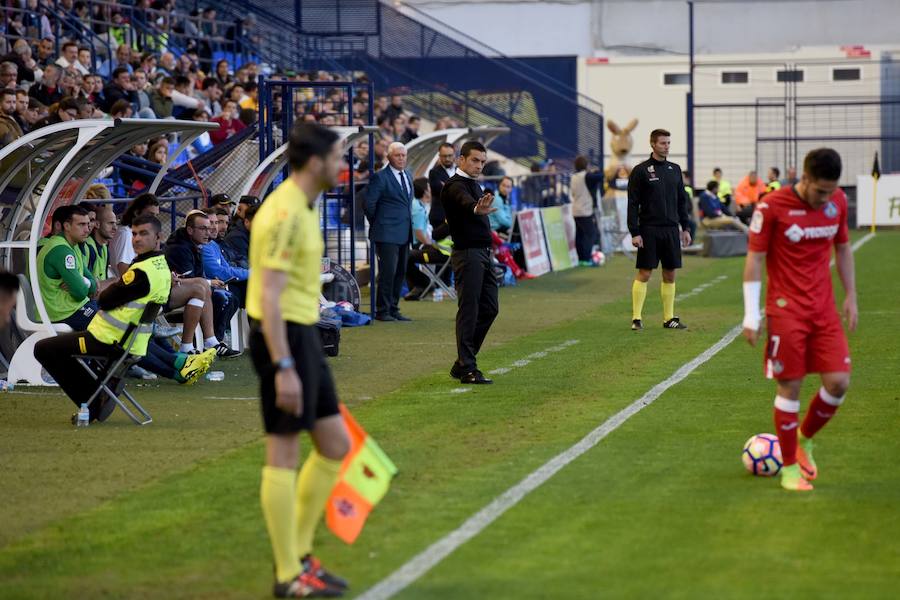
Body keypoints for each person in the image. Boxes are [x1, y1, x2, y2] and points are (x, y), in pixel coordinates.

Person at [246, 122, 351, 598]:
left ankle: (301, 557)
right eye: (338, 157)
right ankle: (289, 574)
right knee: (284, 450)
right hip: (280, 336)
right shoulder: (285, 211)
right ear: (316, 161)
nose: (343, 165)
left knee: (335, 445)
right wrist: (283, 366)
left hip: (302, 333)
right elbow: (268, 295)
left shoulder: (306, 205)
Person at [742, 148, 856, 492]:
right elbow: (755, 259)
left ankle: (804, 440)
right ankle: (789, 468)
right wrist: (751, 313)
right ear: (804, 178)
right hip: (785, 310)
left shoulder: (837, 202)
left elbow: (843, 247)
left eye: (831, 191)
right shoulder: (771, 207)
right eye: (820, 191)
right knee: (790, 386)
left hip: (824, 311)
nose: (825, 199)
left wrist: (851, 294)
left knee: (838, 382)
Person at [35, 216, 216, 422]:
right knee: (59, 347)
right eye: (135, 234)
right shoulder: (160, 265)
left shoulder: (140, 273)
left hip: (111, 340)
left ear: (159, 237)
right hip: (129, 340)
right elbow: (98, 290)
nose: (137, 239)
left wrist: (104, 287)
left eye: (143, 234)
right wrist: (101, 286)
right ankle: (174, 365)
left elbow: (104, 299)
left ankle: (93, 400)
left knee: (43, 349)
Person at [442, 141, 499, 385]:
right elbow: (464, 202)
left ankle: (462, 362)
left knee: (490, 308)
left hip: (483, 254)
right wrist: (476, 208)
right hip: (468, 254)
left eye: (483, 162)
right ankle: (467, 367)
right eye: (475, 160)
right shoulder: (454, 185)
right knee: (469, 311)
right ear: (461, 160)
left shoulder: (474, 184)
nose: (479, 165)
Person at [627, 128, 692, 331]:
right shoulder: (641, 171)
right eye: (663, 143)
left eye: (669, 143)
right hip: (649, 229)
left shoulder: (675, 169)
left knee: (670, 274)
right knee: (645, 273)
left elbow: (682, 202)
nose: (667, 146)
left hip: (671, 230)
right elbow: (632, 203)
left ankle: (668, 318)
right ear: (653, 144)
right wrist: (635, 232)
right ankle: (636, 318)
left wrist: (685, 227)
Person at [164, 211, 240, 354]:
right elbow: (184, 280)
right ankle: (190, 345)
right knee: (206, 289)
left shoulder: (197, 244)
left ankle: (211, 341)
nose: (209, 231)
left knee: (226, 294)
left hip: (185, 291)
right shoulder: (179, 247)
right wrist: (209, 282)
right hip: (165, 295)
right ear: (190, 230)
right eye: (203, 228)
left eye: (210, 226)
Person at [364, 141, 414, 322]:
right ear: (388, 157)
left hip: (404, 231)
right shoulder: (380, 177)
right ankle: (382, 310)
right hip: (386, 233)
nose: (401, 158)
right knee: (388, 272)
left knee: (400, 272)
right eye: (397, 155)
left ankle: (393, 308)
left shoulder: (408, 175)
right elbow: (369, 204)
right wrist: (379, 223)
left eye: (403, 155)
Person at [36, 205, 99, 330]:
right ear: (67, 226)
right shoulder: (61, 250)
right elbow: (80, 293)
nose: (87, 229)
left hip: (73, 308)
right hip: (61, 312)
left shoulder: (73, 246)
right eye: (81, 225)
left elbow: (93, 285)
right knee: (111, 329)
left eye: (87, 224)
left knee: (117, 320)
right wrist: (83, 285)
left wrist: (83, 282)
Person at [404, 177, 449, 300]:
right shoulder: (418, 207)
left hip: (442, 251)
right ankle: (420, 287)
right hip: (439, 249)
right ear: (425, 191)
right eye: (429, 188)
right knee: (406, 256)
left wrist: (429, 243)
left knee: (406, 257)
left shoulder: (418, 207)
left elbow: (428, 234)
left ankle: (423, 285)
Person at [570, 157, 604, 264]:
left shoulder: (573, 177)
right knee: (591, 234)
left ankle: (580, 258)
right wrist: (596, 171)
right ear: (586, 165)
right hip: (585, 210)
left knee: (579, 235)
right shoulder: (587, 176)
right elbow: (601, 176)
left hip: (575, 210)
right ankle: (586, 257)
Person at [427, 142, 456, 239]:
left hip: (457, 218)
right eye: (444, 156)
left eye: (449, 155)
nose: (447, 159)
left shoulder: (460, 171)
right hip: (439, 218)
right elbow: (439, 191)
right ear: (439, 156)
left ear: (454, 155)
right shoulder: (434, 172)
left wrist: (447, 186)